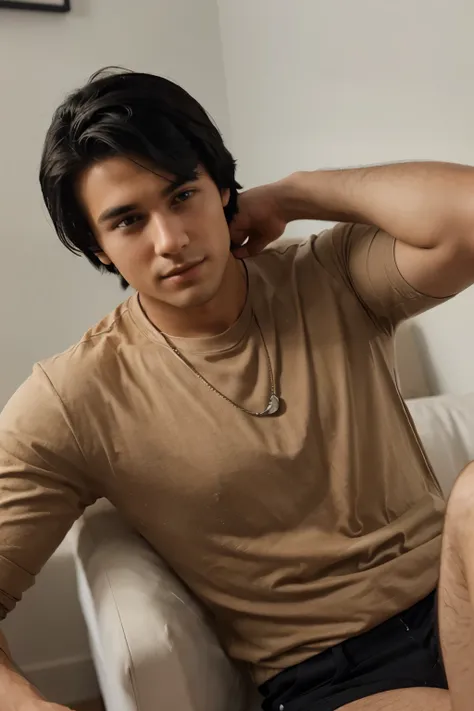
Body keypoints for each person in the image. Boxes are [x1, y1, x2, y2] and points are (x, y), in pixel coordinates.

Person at [1, 68, 474, 711]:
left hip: (458, 597)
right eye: (128, 221)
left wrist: (295, 192)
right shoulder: (77, 397)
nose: (171, 240)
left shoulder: (327, 275)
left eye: (182, 196)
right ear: (99, 247)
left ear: (222, 188)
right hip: (333, 677)